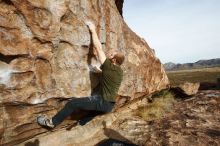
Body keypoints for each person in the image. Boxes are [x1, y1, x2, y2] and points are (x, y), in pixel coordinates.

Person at [37, 22, 125, 128]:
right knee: (93, 111)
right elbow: (110, 77)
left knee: (73, 103)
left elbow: (98, 48)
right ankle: (81, 123)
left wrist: (92, 30)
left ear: (114, 60)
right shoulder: (119, 72)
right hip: (110, 106)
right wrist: (100, 72)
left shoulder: (109, 67)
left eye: (111, 54)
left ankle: (51, 123)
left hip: (102, 102)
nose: (108, 54)